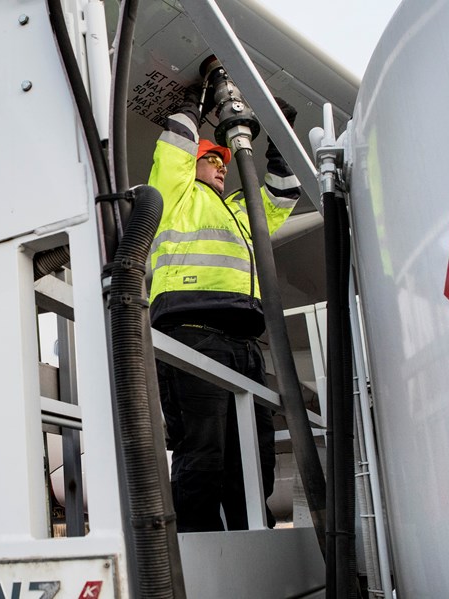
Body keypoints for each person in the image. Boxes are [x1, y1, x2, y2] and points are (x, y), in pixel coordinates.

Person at [148, 92, 300, 532]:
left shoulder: (239, 210)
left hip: (242, 345)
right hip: (191, 336)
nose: (222, 164)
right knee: (204, 451)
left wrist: (279, 135)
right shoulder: (175, 195)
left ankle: (254, 539)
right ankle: (200, 552)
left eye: (224, 161)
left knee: (256, 456)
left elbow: (282, 192)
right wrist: (196, 103)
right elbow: (173, 147)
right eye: (211, 157)